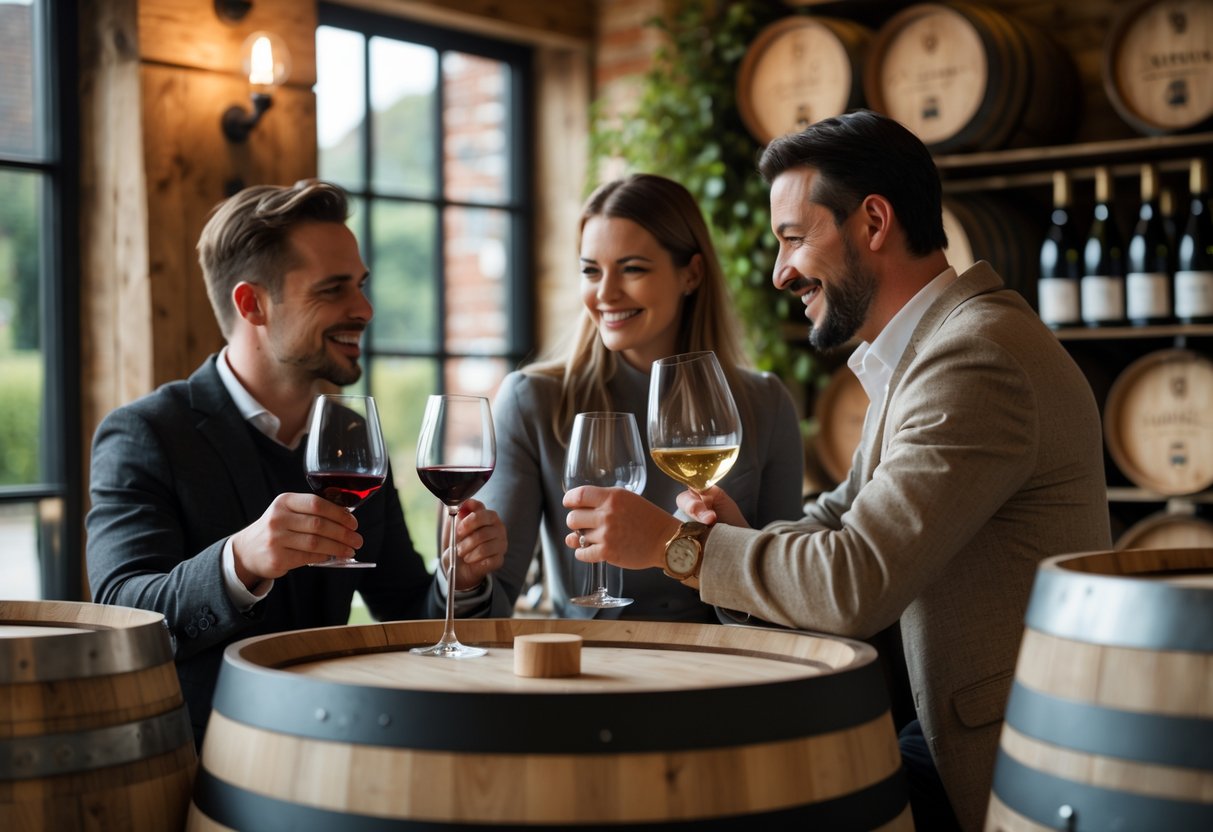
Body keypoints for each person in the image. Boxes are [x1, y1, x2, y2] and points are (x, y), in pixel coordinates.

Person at [562, 112, 1111, 831]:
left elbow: (854, 579)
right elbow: (839, 516)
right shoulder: (929, 351)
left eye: (793, 238)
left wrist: (677, 546)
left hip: (996, 755)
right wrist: (728, 533)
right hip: (941, 725)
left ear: (873, 222)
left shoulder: (976, 359)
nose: (779, 270)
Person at [86, 180, 512, 746]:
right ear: (251, 304)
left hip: (334, 744)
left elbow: (407, 609)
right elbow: (121, 615)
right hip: (200, 761)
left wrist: (462, 578)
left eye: (360, 286)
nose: (364, 309)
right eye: (334, 290)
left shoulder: (354, 440)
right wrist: (241, 561)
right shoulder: (147, 434)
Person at [480, 173, 804, 622]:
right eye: (591, 271)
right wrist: (465, 568)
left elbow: (785, 603)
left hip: (727, 677)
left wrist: (729, 561)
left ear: (690, 273)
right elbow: (488, 602)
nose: (606, 293)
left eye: (632, 269)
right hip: (590, 678)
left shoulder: (765, 404)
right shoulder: (533, 401)